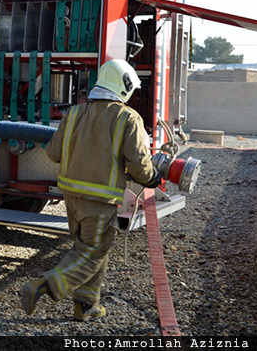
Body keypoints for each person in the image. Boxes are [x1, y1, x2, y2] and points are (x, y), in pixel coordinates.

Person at [21, 59, 162, 321]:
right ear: (124, 87)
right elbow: (140, 165)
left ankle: (85, 304)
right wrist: (153, 178)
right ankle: (44, 285)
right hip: (100, 200)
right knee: (92, 252)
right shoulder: (127, 118)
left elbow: (52, 153)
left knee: (92, 248)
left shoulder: (74, 113)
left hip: (71, 197)